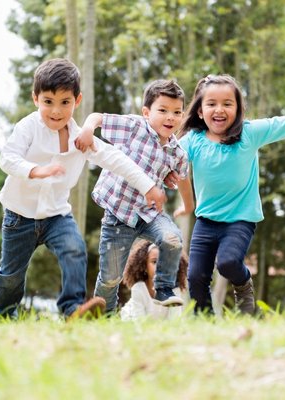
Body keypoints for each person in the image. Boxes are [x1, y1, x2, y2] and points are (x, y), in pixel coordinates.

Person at [0, 58, 166, 320]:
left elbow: (115, 159)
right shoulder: (28, 127)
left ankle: (72, 309)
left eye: (65, 102)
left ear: (77, 100)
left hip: (56, 215)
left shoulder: (80, 138)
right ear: (36, 98)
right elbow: (8, 158)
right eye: (48, 101)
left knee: (75, 249)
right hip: (19, 216)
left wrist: (148, 186)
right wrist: (36, 170)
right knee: (11, 274)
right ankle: (2, 313)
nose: (56, 110)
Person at [172, 74, 285, 315]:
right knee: (196, 276)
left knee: (228, 262)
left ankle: (244, 284)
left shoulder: (249, 134)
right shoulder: (192, 141)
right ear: (200, 111)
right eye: (211, 104)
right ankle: (205, 320)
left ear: (238, 110)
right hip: (206, 221)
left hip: (240, 219)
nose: (219, 109)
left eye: (227, 103)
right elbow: (168, 158)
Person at [75, 79, 194, 314]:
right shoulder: (134, 127)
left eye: (177, 112)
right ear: (146, 112)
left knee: (172, 238)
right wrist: (87, 130)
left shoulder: (177, 152)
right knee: (110, 278)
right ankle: (102, 316)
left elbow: (183, 180)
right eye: (163, 110)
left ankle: (164, 287)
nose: (170, 117)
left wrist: (188, 206)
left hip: (149, 214)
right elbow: (98, 117)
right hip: (118, 215)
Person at [120, 240, 188, 320]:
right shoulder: (139, 288)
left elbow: (175, 321)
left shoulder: (175, 290)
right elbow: (139, 321)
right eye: (154, 261)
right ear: (145, 267)